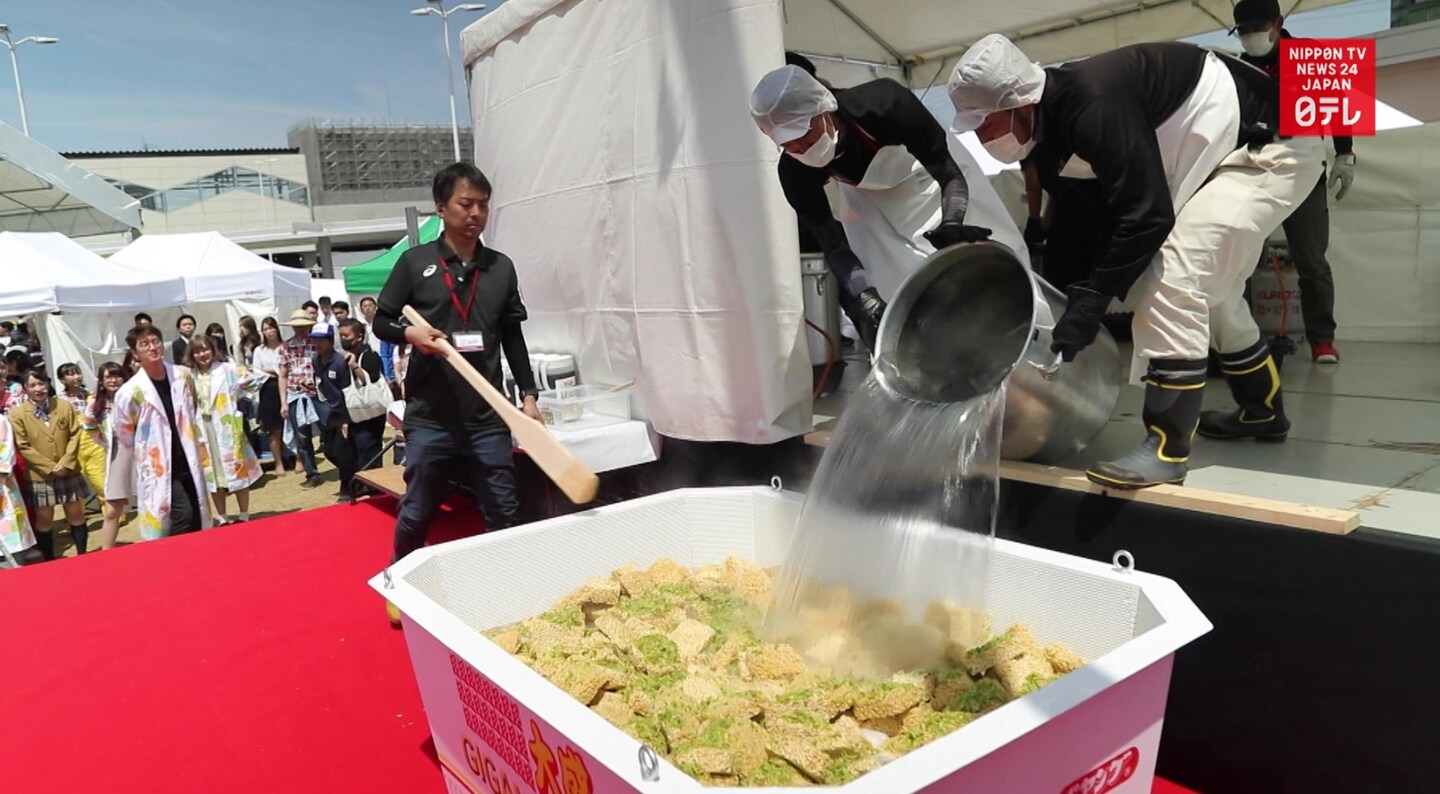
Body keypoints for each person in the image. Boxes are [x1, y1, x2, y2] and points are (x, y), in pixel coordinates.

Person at [948, 34, 1323, 488]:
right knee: (1212, 290)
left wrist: (1093, 301)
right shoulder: (1052, 128)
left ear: (1018, 102)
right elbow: (1098, 212)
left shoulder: (1092, 102)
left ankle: (1167, 447)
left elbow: (1148, 217)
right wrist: (1076, 297)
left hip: (1270, 146)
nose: (979, 137)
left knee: (1175, 274)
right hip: (1223, 155)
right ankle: (1262, 410)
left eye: (983, 123)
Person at [749, 61, 1032, 351]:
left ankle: (1028, 341)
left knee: (990, 259)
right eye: (789, 146)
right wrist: (864, 295)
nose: (802, 151)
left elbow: (948, 173)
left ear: (824, 109)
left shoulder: (883, 102)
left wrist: (952, 221)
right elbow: (833, 244)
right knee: (899, 286)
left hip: (932, 182)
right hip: (870, 201)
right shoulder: (794, 171)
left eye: (805, 137)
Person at [374, 163, 543, 623]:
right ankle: (401, 581)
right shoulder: (415, 263)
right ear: (441, 207)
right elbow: (381, 321)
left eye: (483, 205)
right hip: (431, 415)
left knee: (503, 510)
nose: (476, 214)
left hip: (487, 413)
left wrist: (527, 394)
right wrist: (411, 335)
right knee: (419, 508)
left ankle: (503, 591)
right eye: (466, 204)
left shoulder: (500, 268)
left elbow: (512, 336)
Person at [1232, 0, 1349, 364]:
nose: (1251, 37)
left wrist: (1345, 152)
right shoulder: (1236, 68)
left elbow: (1337, 103)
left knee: (1312, 261)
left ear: (1278, 23)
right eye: (1244, 31)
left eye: (1257, 28)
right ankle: (1241, 338)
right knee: (1240, 259)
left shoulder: (1311, 56)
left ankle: (1322, 339)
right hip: (1256, 171)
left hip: (1305, 170)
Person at [106, 324, 211, 540]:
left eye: (156, 341)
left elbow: (193, 408)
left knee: (196, 511)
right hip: (157, 462)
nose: (153, 348)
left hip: (186, 454)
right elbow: (124, 434)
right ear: (135, 354)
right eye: (145, 344)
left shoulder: (182, 376)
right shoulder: (129, 392)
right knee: (180, 513)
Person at [10, 371, 89, 558]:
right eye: (33, 385)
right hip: (40, 475)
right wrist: (49, 467)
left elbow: (75, 434)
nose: (39, 389)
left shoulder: (63, 406)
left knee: (76, 514)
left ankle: (83, 555)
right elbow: (23, 445)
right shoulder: (18, 414)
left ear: (48, 384)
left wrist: (67, 462)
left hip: (68, 470)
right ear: (25, 389)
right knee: (44, 519)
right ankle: (49, 560)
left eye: (42, 383)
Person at [187, 335, 263, 523]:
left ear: (212, 350)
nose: (202, 354)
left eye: (205, 349)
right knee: (212, 473)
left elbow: (255, 382)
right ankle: (221, 515)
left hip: (226, 424)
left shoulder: (227, 368)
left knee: (237, 467)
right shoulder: (189, 375)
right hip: (202, 427)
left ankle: (244, 512)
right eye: (197, 351)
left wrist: (239, 399)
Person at [278, 308, 324, 489]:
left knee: (328, 430)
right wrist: (283, 401)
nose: (300, 329)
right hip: (296, 395)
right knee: (302, 437)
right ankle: (312, 472)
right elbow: (283, 374)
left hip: (317, 394)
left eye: (303, 326)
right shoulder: (286, 346)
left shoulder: (317, 343)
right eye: (296, 326)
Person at [310, 323, 357, 500]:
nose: (318, 344)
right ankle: (355, 472)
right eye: (315, 340)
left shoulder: (339, 362)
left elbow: (347, 391)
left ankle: (347, 487)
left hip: (344, 411)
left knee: (343, 450)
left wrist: (346, 420)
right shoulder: (316, 361)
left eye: (321, 340)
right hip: (330, 410)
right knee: (329, 450)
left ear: (330, 341)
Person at [84, 362, 128, 549]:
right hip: (116, 454)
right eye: (108, 376)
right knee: (112, 509)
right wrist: (104, 443)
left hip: (142, 453)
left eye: (117, 375)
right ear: (101, 381)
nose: (113, 380)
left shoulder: (132, 396)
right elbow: (89, 426)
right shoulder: (96, 404)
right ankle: (106, 551)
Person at [338, 318, 386, 474]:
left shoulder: (369, 355)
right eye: (341, 336)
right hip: (355, 413)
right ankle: (362, 486)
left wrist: (355, 367)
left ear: (359, 336)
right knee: (356, 452)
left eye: (346, 335)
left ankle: (374, 490)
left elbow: (371, 380)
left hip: (372, 414)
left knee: (369, 451)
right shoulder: (346, 356)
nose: (343, 339)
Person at [252, 317, 291, 477]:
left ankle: (298, 459)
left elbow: (287, 368)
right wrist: (275, 371)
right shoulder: (259, 350)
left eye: (271, 328)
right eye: (266, 329)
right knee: (273, 429)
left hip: (287, 387)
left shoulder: (286, 347)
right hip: (267, 390)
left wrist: (273, 369)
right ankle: (278, 462)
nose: (269, 331)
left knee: (291, 426)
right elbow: (256, 370)